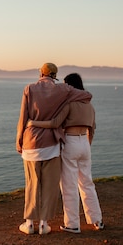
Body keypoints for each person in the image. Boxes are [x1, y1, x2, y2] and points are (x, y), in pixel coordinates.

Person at [16, 63, 93, 235]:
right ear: (55, 75)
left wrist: (19, 140)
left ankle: (29, 223)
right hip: (51, 144)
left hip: (30, 143)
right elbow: (87, 95)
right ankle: (44, 224)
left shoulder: (29, 88)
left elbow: (23, 118)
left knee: (32, 184)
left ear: (41, 73)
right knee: (50, 185)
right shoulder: (63, 90)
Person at [28, 73, 104, 232]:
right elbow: (93, 128)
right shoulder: (89, 105)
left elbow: (55, 123)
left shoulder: (69, 104)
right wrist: (86, 144)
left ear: (70, 86)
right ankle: (97, 220)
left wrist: (33, 122)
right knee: (87, 183)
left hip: (71, 141)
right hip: (85, 143)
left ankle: (72, 224)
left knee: (69, 185)